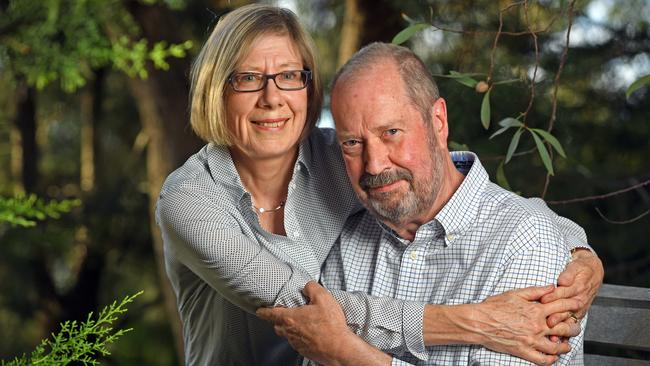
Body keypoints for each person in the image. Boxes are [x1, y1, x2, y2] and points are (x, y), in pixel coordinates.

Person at [156, 4, 603, 366]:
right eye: (248, 78)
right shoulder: (189, 201)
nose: (272, 98)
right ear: (217, 89)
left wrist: (580, 251)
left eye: (290, 76)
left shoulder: (341, 155)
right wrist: (477, 322)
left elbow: (449, 176)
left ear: (307, 87)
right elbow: (311, 312)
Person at [257, 43, 591, 365]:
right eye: (353, 143)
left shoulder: (523, 241)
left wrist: (348, 355)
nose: (374, 164)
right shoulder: (343, 236)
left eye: (391, 132)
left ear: (438, 121)